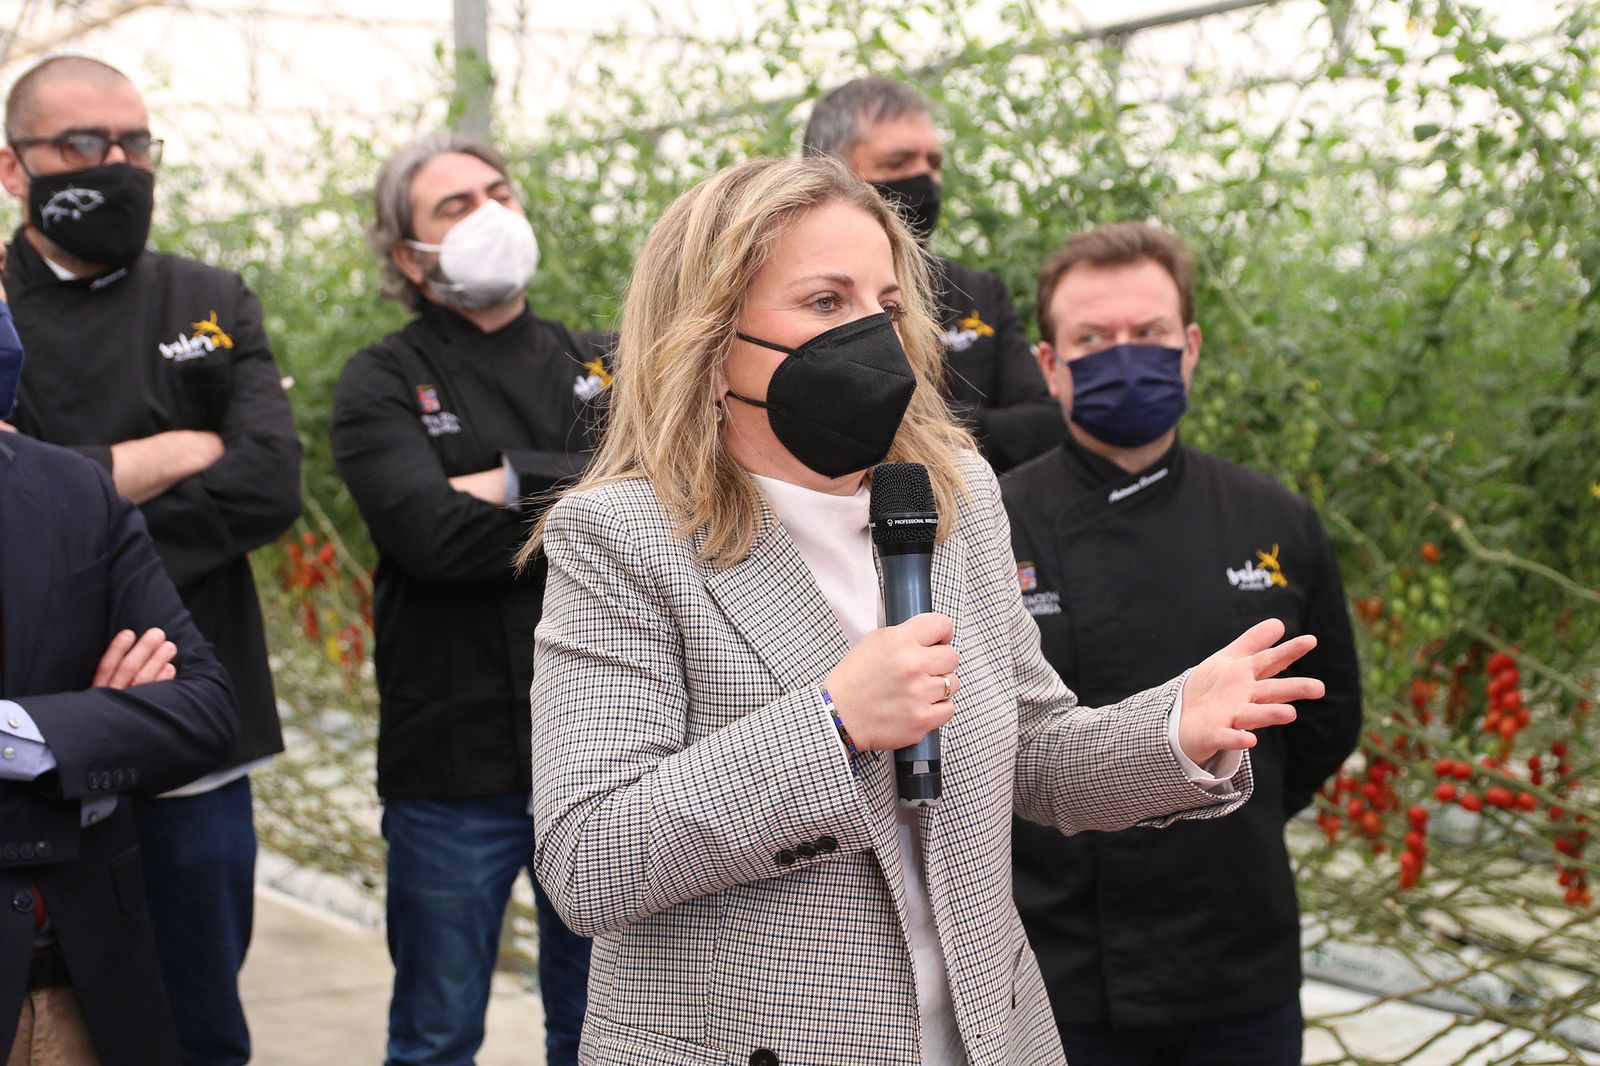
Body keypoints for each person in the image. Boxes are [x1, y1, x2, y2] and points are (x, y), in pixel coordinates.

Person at [523, 156, 1328, 1065]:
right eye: (826, 301)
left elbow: (1031, 751)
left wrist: (1173, 728)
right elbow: (590, 860)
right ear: (708, 338)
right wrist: (832, 724)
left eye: (887, 305)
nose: (871, 333)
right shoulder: (624, 537)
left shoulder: (954, 496)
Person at [1002, 222, 1363, 1065]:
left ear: (1190, 348)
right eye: (1093, 339)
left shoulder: (1275, 519)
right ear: (1050, 365)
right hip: (1054, 968)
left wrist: (1234, 812)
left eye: (1149, 333)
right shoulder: (989, 524)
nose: (1124, 355)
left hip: (1237, 964)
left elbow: (1327, 720)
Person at [0, 56, 301, 1066]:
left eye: (135, 142)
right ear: (14, 167)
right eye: (84, 144)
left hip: (189, 725)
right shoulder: (2, 314)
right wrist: (181, 447)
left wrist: (74, 500)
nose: (119, 164)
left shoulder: (209, 298)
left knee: (202, 1024)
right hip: (36, 744)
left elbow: (269, 484)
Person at [329, 131, 601, 1066]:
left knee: (599, 1026)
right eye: (455, 206)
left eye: (498, 192)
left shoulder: (604, 360)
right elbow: (432, 539)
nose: (490, 214)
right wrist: (583, 491)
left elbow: (661, 503)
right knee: (437, 1032)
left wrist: (501, 479)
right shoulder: (379, 379)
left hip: (601, 751)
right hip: (451, 762)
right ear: (409, 256)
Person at [0, 265, 238, 1065]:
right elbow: (140, 734)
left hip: (81, 988)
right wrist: (84, 740)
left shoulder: (73, 490)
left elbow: (204, 711)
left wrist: (28, 737)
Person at [802, 76, 1061, 473]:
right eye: (898, 162)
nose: (924, 177)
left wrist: (911, 424)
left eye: (934, 163)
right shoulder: (802, 296)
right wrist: (980, 423)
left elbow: (1044, 424)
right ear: (829, 173)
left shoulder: (976, 292)